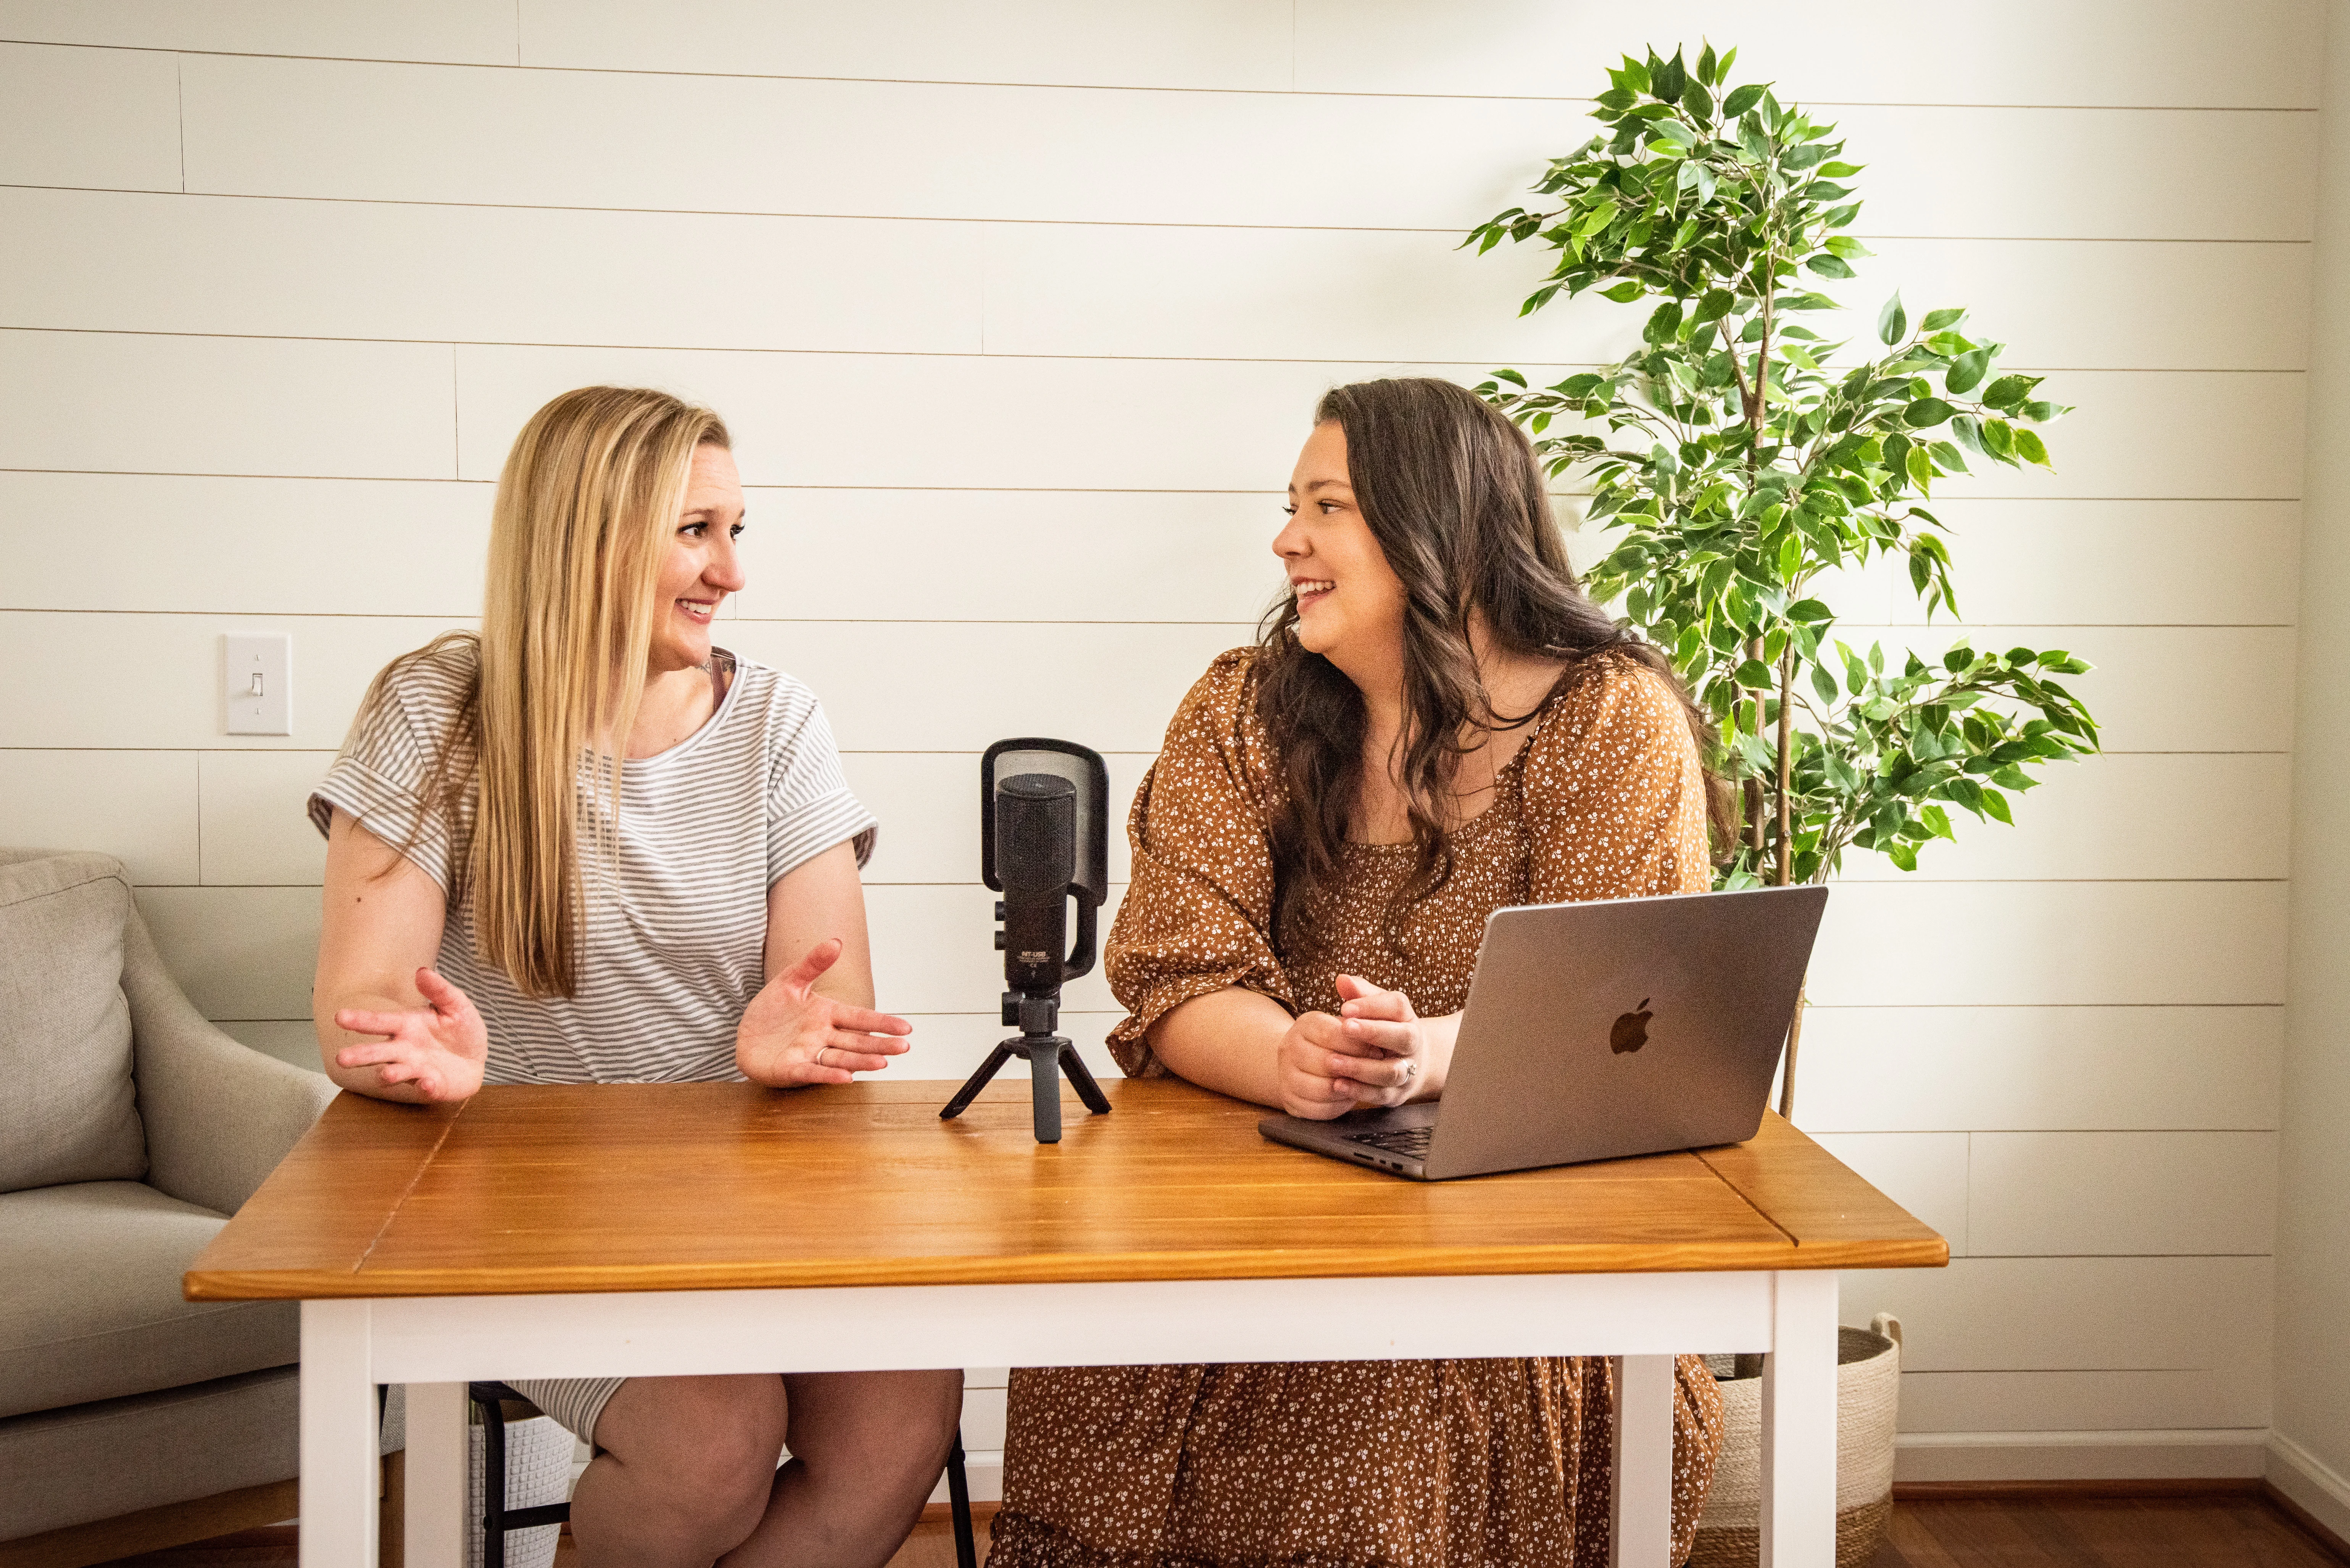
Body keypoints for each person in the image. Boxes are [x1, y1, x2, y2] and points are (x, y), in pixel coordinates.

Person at [988, 377, 1731, 1568]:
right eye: (1291, 506)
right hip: (1248, 1207)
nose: (1286, 538)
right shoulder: (1242, 708)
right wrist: (1288, 1055)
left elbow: (1617, 1014)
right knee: (1089, 1347)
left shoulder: (1609, 721)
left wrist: (1420, 1053)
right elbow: (1178, 974)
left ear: (1440, 529)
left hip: (1515, 1245)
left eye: (1324, 505)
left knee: (1364, 1408)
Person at [308, 386, 961, 1568]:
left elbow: (828, 1001)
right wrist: (426, 1062)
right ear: (589, 536)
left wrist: (789, 1043)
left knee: (903, 1404)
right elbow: (362, 1005)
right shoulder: (438, 709)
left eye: (736, 530)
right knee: (712, 1432)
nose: (730, 570)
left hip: (746, 1207)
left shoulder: (775, 722)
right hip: (517, 1211)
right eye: (694, 531)